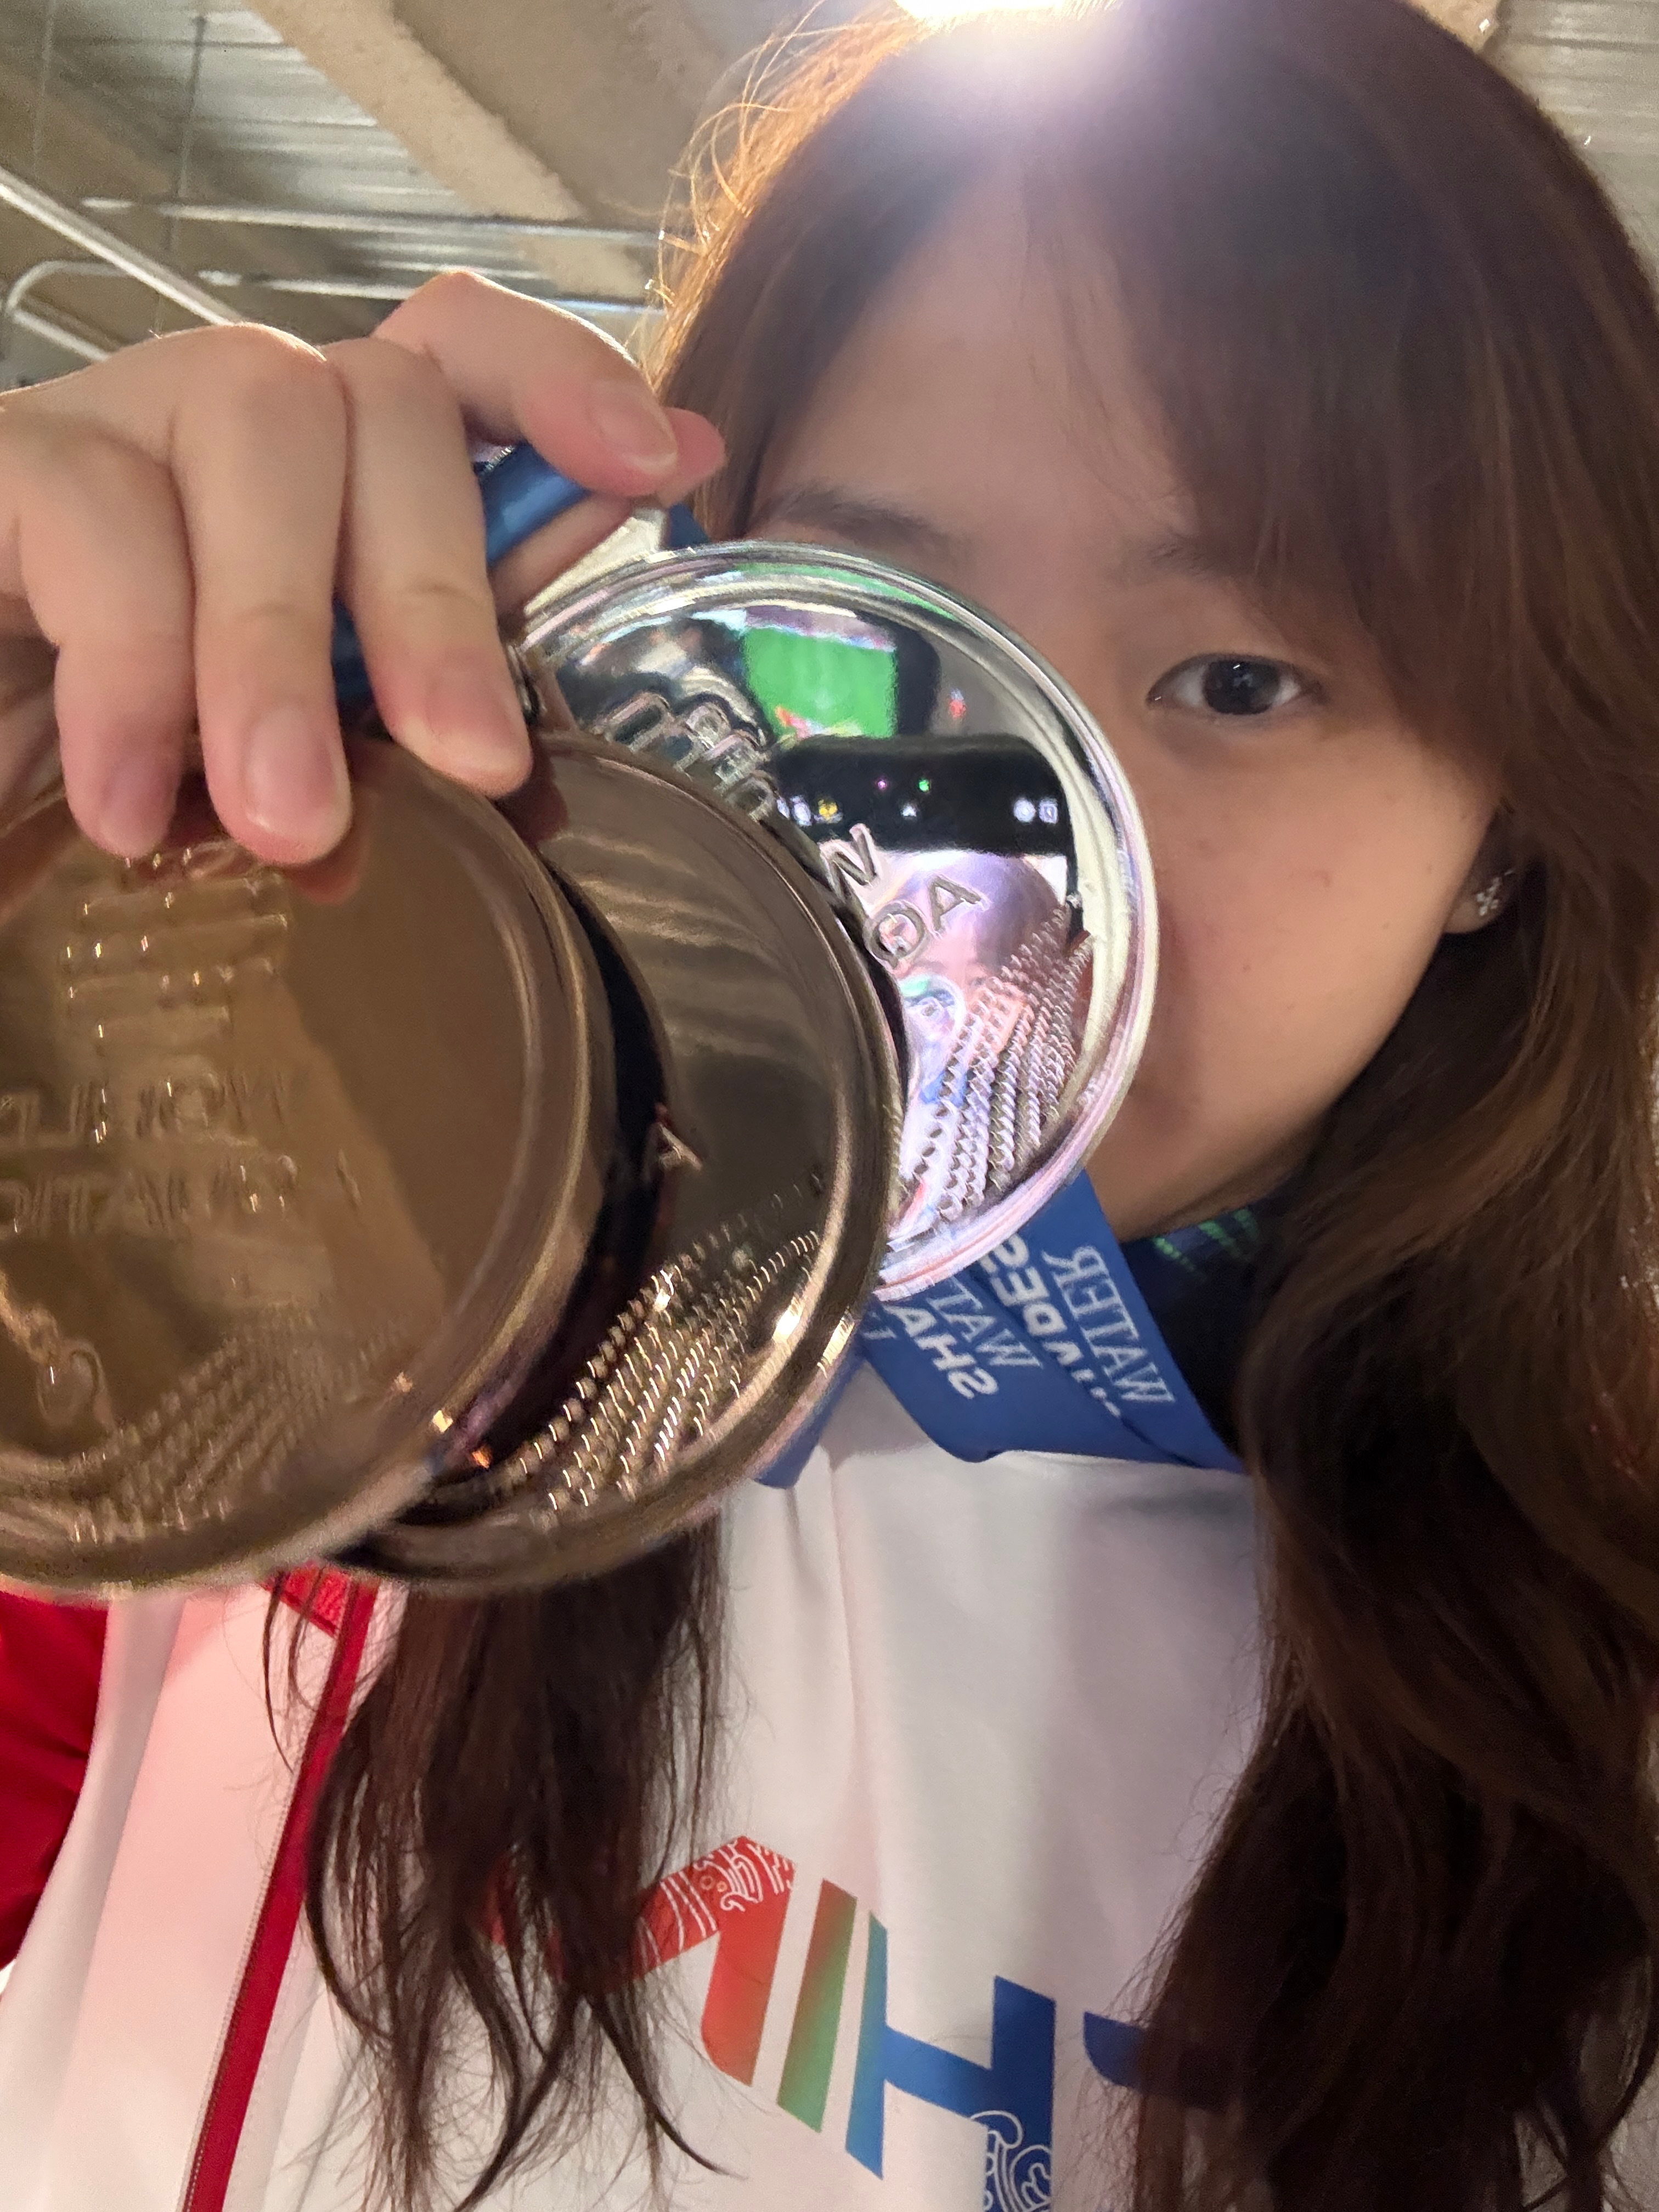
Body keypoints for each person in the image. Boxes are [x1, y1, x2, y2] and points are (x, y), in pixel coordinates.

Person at [3, 0, 1659, 2205]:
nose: (994, 848)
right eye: (865, 637)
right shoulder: (288, 1380)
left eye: (1240, 678)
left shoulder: (1607, 1775)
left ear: (1508, 824)